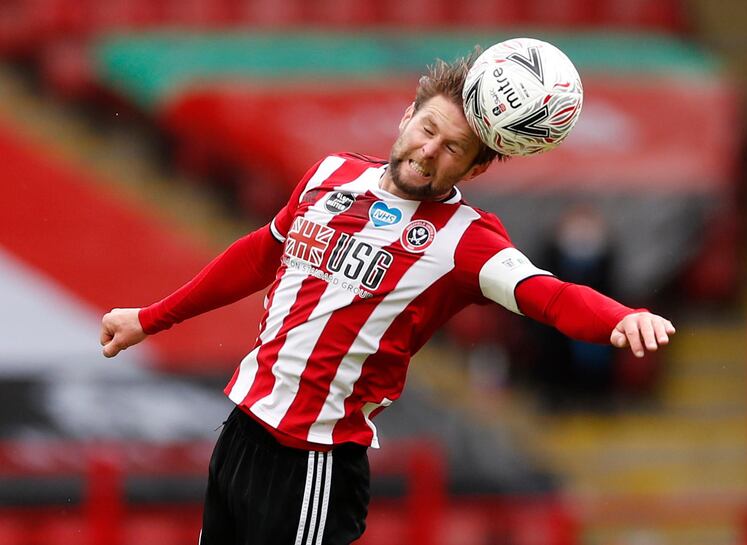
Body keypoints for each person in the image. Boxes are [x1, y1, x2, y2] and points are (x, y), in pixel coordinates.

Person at [100, 52, 675, 545]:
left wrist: (621, 317)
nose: (430, 151)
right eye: (427, 129)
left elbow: (545, 294)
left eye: (453, 148)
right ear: (406, 116)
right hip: (242, 431)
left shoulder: (465, 241)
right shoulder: (330, 173)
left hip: (313, 461)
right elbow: (259, 254)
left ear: (474, 167)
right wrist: (151, 319)